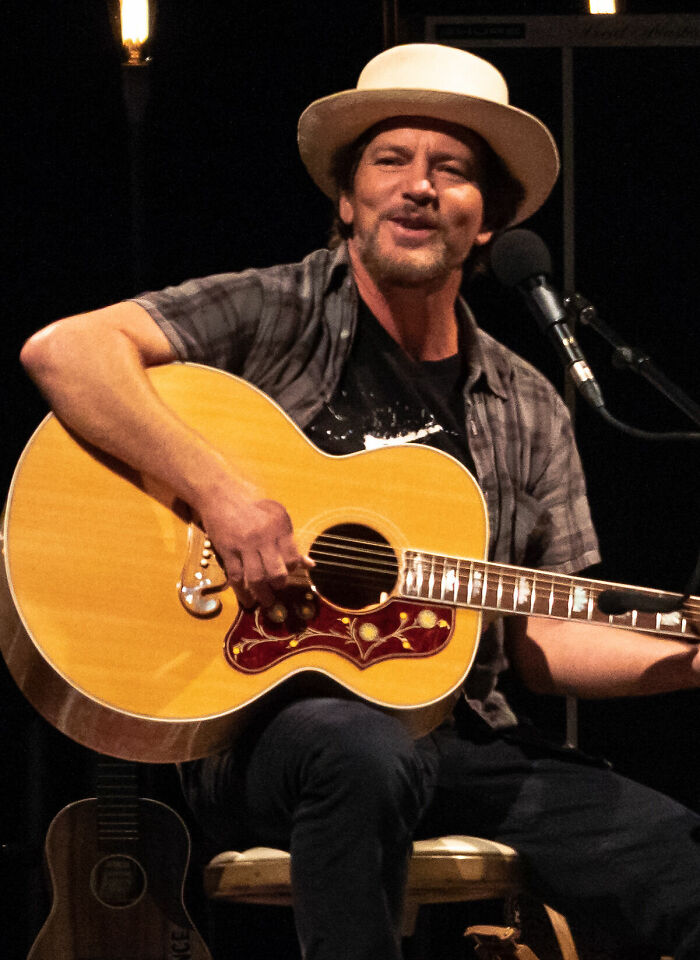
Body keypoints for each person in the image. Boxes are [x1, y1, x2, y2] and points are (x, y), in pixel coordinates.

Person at [19, 43, 700, 960]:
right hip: (274, 725)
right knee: (358, 750)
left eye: (452, 170)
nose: (420, 187)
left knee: (681, 860)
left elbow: (542, 635)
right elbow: (66, 352)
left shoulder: (530, 401)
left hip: (467, 739)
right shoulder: (274, 310)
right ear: (347, 199)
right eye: (392, 160)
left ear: (488, 219)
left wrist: (687, 657)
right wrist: (220, 493)